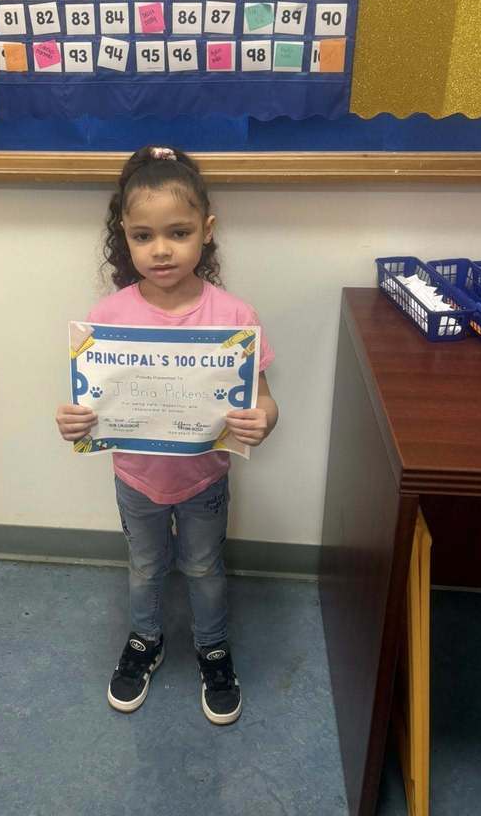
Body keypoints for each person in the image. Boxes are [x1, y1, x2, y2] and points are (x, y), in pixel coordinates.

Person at [56, 145, 278, 726]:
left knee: (204, 568)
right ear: (124, 238)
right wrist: (74, 421)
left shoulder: (234, 317)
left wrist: (264, 418)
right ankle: (144, 639)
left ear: (207, 231)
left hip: (204, 477)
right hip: (136, 478)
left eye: (178, 233)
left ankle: (212, 647)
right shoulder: (108, 318)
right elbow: (90, 403)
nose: (160, 249)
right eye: (143, 235)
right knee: (144, 567)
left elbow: (263, 399)